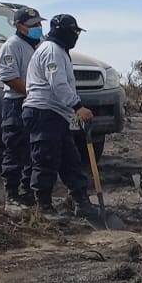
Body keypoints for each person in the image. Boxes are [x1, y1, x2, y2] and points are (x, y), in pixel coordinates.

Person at [21, 14, 95, 219]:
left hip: (57, 114)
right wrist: (78, 106)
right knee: (46, 159)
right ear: (63, 31)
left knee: (70, 160)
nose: (76, 36)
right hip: (43, 112)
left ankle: (82, 202)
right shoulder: (52, 51)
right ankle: (43, 207)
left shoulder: (59, 51)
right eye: (74, 32)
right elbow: (58, 84)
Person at [0, 6, 42, 212]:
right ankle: (11, 195)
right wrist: (32, 93)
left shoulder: (40, 46)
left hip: (37, 105)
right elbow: (9, 76)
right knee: (14, 148)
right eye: (33, 25)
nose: (38, 28)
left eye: (39, 24)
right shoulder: (11, 46)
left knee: (35, 149)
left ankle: (27, 192)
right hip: (16, 103)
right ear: (19, 26)